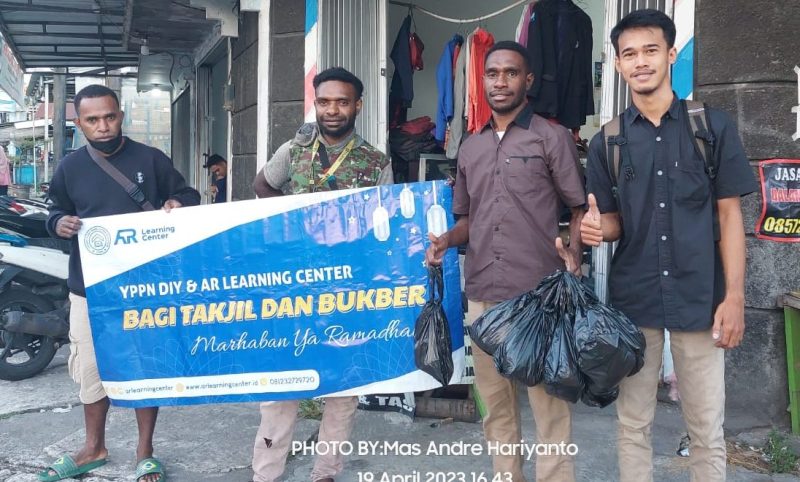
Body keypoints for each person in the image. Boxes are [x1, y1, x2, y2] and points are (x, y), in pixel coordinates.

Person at [580, 10, 757, 482]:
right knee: (632, 424)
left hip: (701, 299)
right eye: (629, 54)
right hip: (635, 303)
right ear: (618, 65)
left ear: (671, 55)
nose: (641, 62)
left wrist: (734, 297)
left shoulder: (711, 128)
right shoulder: (608, 142)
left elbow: (729, 217)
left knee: (706, 428)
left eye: (650, 50)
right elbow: (614, 222)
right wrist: (598, 230)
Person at [426, 41, 586, 482]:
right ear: (483, 80)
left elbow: (579, 207)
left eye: (511, 73)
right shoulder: (471, 148)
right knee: (495, 407)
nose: (500, 81)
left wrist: (574, 254)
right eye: (492, 73)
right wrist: (445, 242)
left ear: (527, 81)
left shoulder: (550, 137)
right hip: (482, 295)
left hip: (540, 296)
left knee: (549, 406)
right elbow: (467, 220)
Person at [42, 84, 200, 482]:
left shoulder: (150, 158)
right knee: (92, 369)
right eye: (92, 120)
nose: (103, 126)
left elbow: (188, 193)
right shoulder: (70, 168)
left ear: (121, 116)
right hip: (89, 290)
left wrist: (177, 204)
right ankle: (93, 446)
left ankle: (145, 450)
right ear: (79, 124)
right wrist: (57, 223)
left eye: (109, 116)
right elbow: (54, 209)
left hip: (144, 288)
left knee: (144, 367)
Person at [251, 67, 392, 482]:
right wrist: (290, 222)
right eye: (325, 101)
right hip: (291, 288)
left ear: (357, 106)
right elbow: (263, 185)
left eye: (342, 102)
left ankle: (325, 473)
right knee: (281, 386)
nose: (332, 110)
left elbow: (384, 227)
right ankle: (266, 473)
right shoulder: (293, 150)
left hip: (346, 290)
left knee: (342, 389)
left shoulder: (375, 162)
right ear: (315, 103)